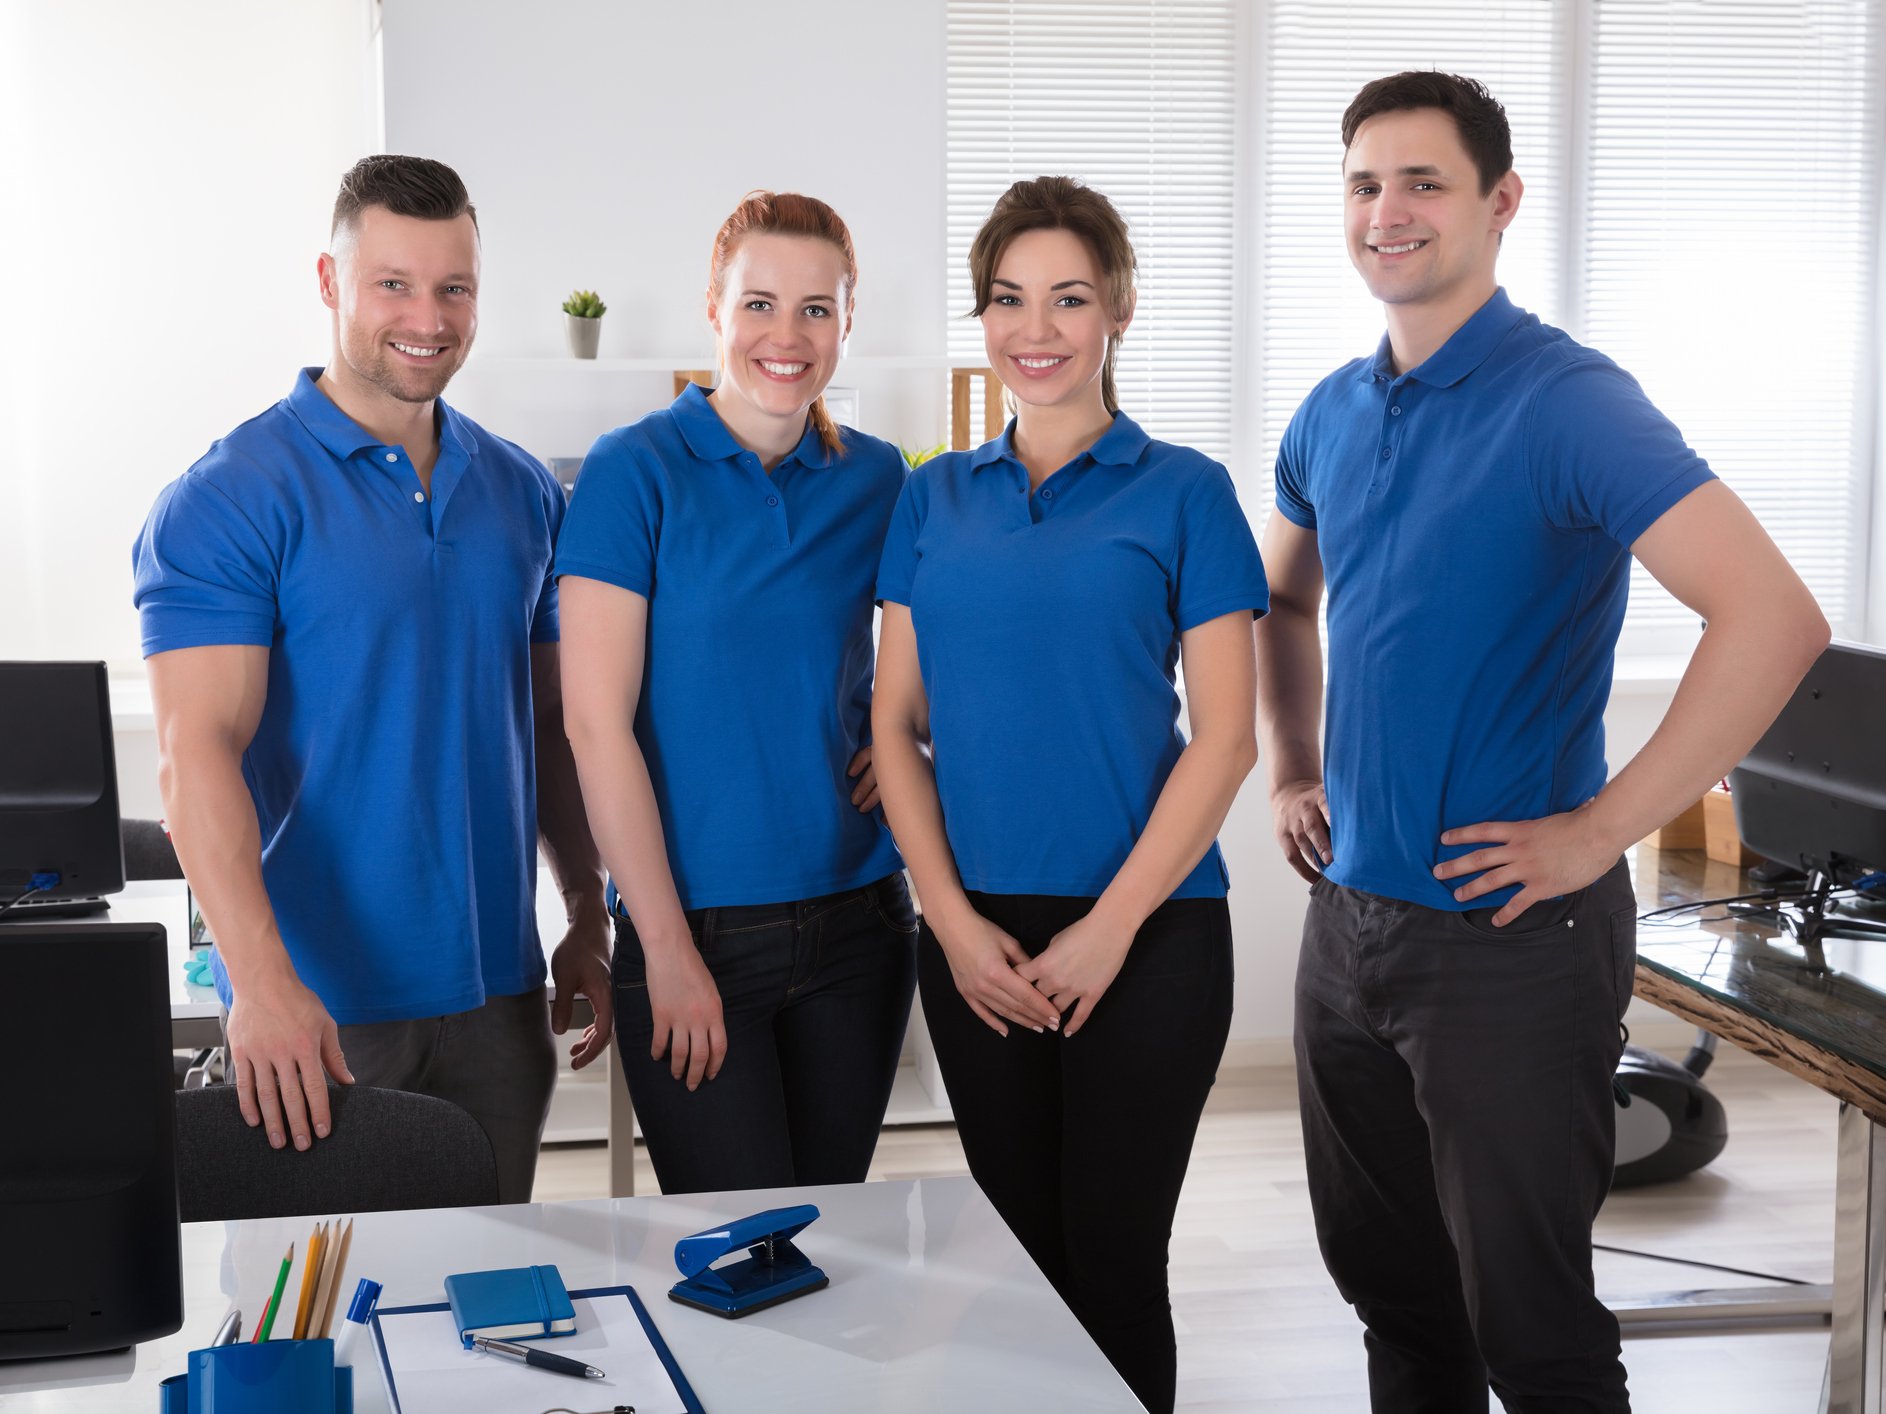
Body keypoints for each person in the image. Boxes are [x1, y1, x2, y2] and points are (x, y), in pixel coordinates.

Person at [1257, 72, 1830, 1413]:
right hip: (1346, 927)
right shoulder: (1331, 410)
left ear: (1499, 202)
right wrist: (1290, 764)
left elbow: (1772, 617)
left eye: (1423, 182)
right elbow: (1283, 598)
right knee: (1394, 1298)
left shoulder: (1567, 401)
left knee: (1531, 1328)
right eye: (1362, 183)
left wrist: (1597, 829)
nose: (1386, 210)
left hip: (1507, 939)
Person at [132, 155, 612, 1202]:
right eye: (393, 283)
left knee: (483, 1323)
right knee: (315, 1324)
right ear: (328, 280)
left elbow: (550, 726)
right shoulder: (231, 497)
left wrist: (585, 908)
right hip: (319, 1006)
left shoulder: (524, 489)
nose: (427, 317)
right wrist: (260, 987)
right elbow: (192, 754)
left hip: (497, 997)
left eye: (455, 287)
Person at [871, 175, 1265, 1414]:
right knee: (1011, 1268)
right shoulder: (929, 497)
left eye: (1068, 297)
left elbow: (1229, 740)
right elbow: (895, 727)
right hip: (974, 932)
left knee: (1111, 1263)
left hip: (1148, 937)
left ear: (1119, 312)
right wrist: (945, 916)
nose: (1033, 328)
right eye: (1007, 298)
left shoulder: (1186, 491)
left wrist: (1107, 930)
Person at [555, 190, 916, 1195]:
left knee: (830, 1244)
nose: (786, 336)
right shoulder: (636, 471)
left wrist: (919, 748)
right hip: (698, 931)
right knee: (739, 1259)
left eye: (816, 308)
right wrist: (663, 947)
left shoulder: (881, 480)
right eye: (759, 303)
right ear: (713, 308)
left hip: (861, 924)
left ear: (850, 322)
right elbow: (595, 724)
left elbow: (963, 647)